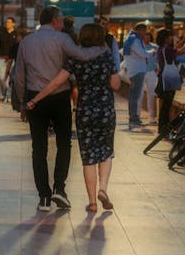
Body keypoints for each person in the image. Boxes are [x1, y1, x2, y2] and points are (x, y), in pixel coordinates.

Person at [13, 5, 105, 211]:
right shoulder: (63, 39)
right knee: (64, 143)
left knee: (39, 147)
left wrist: (22, 103)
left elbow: (19, 76)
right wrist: (103, 47)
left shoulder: (26, 42)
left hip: (34, 97)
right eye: (62, 19)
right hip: (60, 96)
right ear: (54, 21)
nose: (63, 23)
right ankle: (59, 189)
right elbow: (81, 57)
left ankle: (43, 197)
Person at [25, 23, 120, 213]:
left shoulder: (76, 59)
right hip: (105, 111)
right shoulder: (107, 57)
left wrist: (35, 99)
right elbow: (116, 85)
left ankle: (92, 202)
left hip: (85, 112)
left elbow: (57, 82)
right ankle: (103, 189)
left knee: (88, 157)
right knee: (106, 152)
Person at [123, 22, 150, 130]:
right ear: (140, 30)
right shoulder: (135, 39)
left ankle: (133, 118)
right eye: (144, 31)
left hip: (134, 70)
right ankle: (134, 119)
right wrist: (151, 53)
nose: (145, 34)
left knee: (133, 96)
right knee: (135, 96)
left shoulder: (131, 38)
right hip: (137, 70)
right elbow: (142, 53)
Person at [155, 27, 181, 136]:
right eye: (169, 36)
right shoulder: (167, 49)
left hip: (163, 78)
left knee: (165, 105)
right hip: (168, 80)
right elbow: (181, 51)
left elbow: (176, 49)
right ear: (165, 38)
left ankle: (162, 128)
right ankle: (164, 129)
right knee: (167, 105)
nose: (171, 38)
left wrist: (183, 41)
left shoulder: (161, 49)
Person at [138, 27, 158, 126]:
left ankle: (152, 117)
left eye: (149, 37)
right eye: (145, 37)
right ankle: (137, 116)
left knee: (151, 95)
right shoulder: (139, 47)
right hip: (141, 72)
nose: (147, 39)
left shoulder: (155, 47)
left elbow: (158, 59)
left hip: (151, 72)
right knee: (140, 95)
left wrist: (157, 68)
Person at [0, 16, 18, 102]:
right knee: (1, 78)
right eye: (6, 22)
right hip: (2, 59)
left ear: (13, 24)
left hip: (12, 60)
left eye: (9, 22)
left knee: (11, 79)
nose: (7, 24)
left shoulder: (16, 34)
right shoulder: (1, 33)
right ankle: (3, 93)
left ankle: (9, 96)